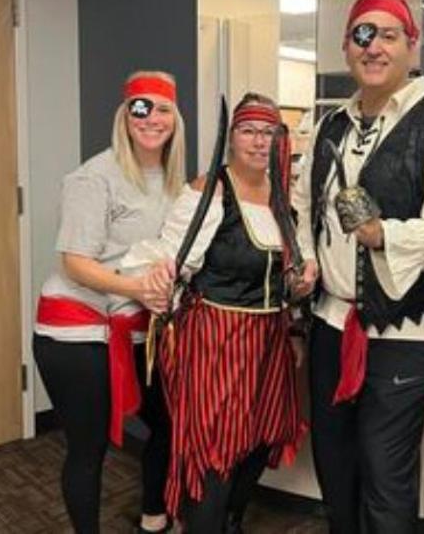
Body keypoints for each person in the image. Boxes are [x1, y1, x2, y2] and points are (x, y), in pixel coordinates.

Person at [292, 0, 424, 533]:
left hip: (404, 330)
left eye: (387, 35)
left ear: (412, 45)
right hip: (331, 323)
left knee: (386, 477)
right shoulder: (330, 126)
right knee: (335, 468)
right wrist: (307, 259)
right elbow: (304, 206)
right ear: (346, 47)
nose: (373, 47)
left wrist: (386, 235)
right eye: (362, 35)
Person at [123, 93, 306, 533]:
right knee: (215, 452)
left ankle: (228, 520)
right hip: (216, 339)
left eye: (268, 133)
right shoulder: (210, 190)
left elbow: (287, 271)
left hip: (270, 340)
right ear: (232, 137)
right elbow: (169, 256)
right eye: (248, 131)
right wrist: (157, 276)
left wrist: (297, 305)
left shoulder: (282, 193)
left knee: (262, 437)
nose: (259, 142)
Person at [33, 71, 184, 534]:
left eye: (162, 108)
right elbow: (75, 263)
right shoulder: (93, 178)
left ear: (175, 117)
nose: (152, 118)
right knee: (89, 447)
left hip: (134, 323)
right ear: (125, 116)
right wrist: (138, 289)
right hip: (77, 331)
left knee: (169, 422)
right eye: (141, 107)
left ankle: (154, 517)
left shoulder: (173, 180)